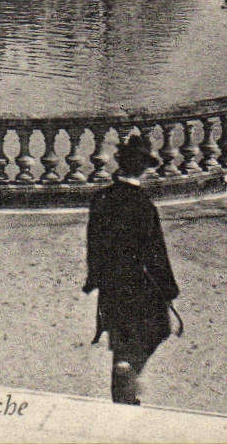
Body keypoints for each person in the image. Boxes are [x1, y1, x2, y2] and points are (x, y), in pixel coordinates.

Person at [83, 136, 180, 406]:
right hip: (140, 285)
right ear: (143, 169)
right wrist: (168, 288)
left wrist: (95, 277)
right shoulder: (143, 205)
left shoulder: (102, 198)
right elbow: (155, 252)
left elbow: (93, 243)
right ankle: (128, 374)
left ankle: (123, 391)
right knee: (157, 330)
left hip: (111, 285)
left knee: (122, 338)